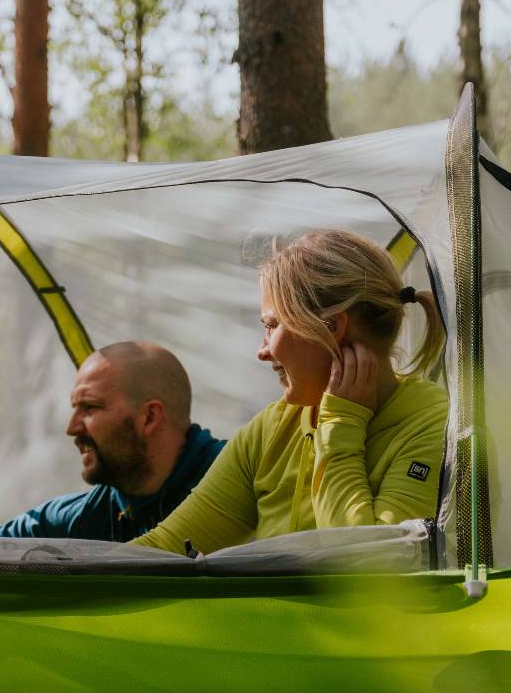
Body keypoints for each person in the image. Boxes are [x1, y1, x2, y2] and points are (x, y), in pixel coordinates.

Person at [133, 228, 446, 555]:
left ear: (332, 327)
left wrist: (341, 426)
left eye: (271, 326)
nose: (262, 351)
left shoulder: (431, 424)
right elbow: (164, 548)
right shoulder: (270, 428)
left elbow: (369, 567)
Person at [0, 341, 225, 542]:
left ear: (148, 417)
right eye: (75, 408)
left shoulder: (242, 480)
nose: (72, 428)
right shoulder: (86, 516)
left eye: (90, 407)